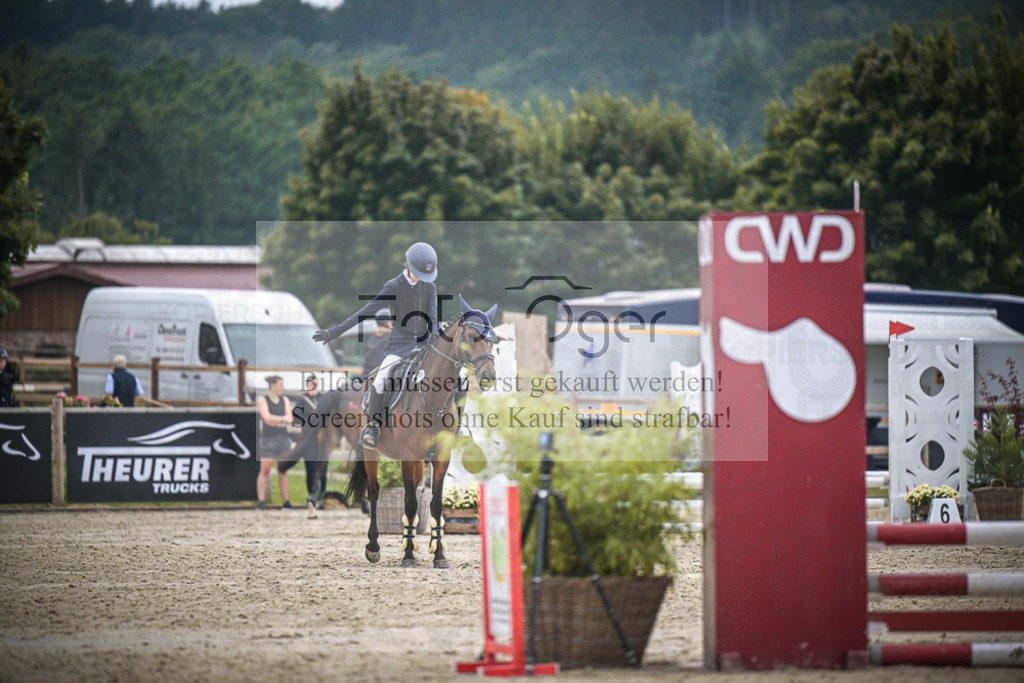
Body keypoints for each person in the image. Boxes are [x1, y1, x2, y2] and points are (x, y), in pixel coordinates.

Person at [313, 242, 439, 449]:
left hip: (424, 345)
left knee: (454, 377)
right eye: (419, 274)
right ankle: (372, 426)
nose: (422, 280)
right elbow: (364, 312)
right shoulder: (394, 286)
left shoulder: (429, 286)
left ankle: (453, 427)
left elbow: (433, 318)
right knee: (380, 381)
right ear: (407, 265)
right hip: (399, 346)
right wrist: (335, 332)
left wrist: (434, 341)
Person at [256, 375, 293, 510]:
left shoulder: (285, 400)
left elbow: (290, 419)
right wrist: (282, 420)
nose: (282, 388)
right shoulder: (263, 400)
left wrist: (276, 420)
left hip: (283, 438)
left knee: (283, 471)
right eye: (280, 385)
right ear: (272, 385)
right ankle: (261, 501)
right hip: (268, 438)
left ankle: (286, 501)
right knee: (265, 470)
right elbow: (266, 418)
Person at [295, 374, 329, 514]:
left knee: (322, 468)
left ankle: (322, 496)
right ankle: (312, 495)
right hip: (308, 438)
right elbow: (297, 419)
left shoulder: (324, 399)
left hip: (322, 438)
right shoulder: (302, 400)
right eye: (310, 383)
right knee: (310, 467)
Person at [361, 307, 393, 379]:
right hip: (380, 375)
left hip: (366, 375)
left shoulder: (372, 337)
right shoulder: (391, 337)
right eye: (391, 321)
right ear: (387, 323)